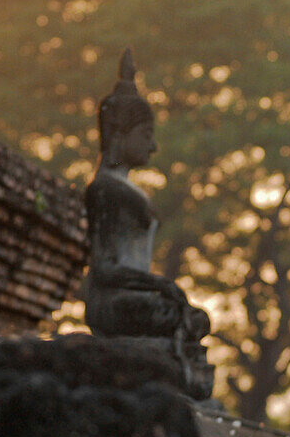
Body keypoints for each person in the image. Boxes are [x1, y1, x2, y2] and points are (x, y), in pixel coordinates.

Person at [82, 49, 212, 397]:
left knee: (194, 319)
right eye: (146, 135)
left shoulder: (125, 190)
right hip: (110, 302)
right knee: (180, 316)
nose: (153, 146)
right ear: (119, 135)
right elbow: (104, 269)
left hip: (132, 298)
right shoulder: (104, 190)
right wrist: (158, 285)